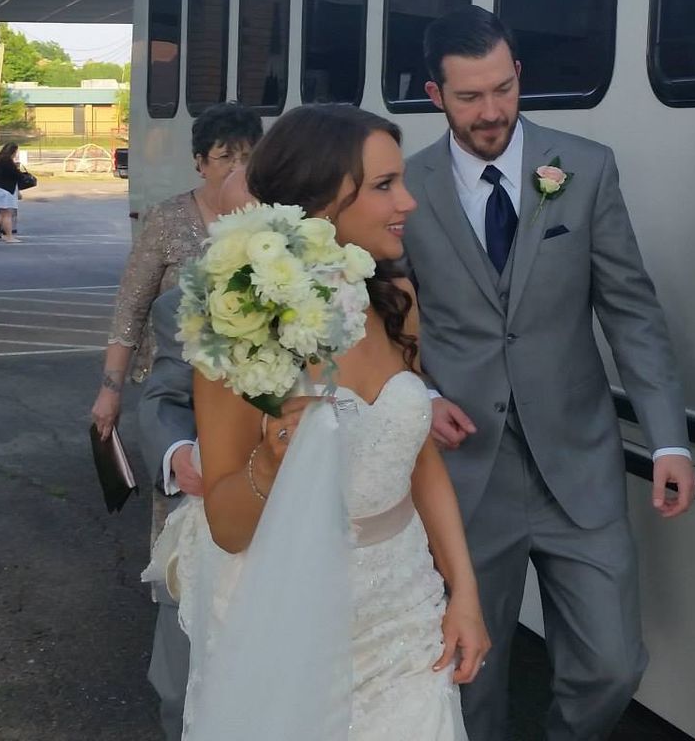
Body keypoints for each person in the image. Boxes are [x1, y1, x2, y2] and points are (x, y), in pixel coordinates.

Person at [400, 5, 695, 740]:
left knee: (612, 665)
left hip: (578, 463)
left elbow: (631, 310)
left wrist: (669, 440)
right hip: (465, 473)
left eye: (503, 89)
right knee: (469, 676)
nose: (491, 111)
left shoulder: (585, 168)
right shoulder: (406, 189)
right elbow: (384, 318)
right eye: (470, 96)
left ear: (519, 75)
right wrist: (421, 395)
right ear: (435, 95)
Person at [172, 104, 488, 739]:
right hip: (285, 614)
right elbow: (228, 528)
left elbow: (419, 460)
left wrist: (465, 592)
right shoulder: (241, 320)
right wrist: (270, 463)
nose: (409, 201)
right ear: (319, 203)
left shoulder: (396, 300)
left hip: (403, 611)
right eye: (384, 185)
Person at [134, 164, 254, 741]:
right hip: (213, 515)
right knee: (181, 687)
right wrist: (178, 452)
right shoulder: (184, 304)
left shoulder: (351, 296)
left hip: (310, 521)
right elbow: (165, 397)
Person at [91, 102, 263, 444]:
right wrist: (110, 390)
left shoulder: (270, 219)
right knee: (179, 472)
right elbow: (131, 307)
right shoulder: (166, 218)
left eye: (247, 157)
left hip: (249, 388)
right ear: (200, 163)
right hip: (177, 391)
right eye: (225, 157)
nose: (237, 167)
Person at [0, 143, 29, 243]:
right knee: (7, 214)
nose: (16, 154)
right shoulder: (8, 162)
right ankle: (9, 236)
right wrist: (23, 173)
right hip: (7, 190)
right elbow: (17, 176)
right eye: (16, 152)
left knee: (3, 213)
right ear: (12, 152)